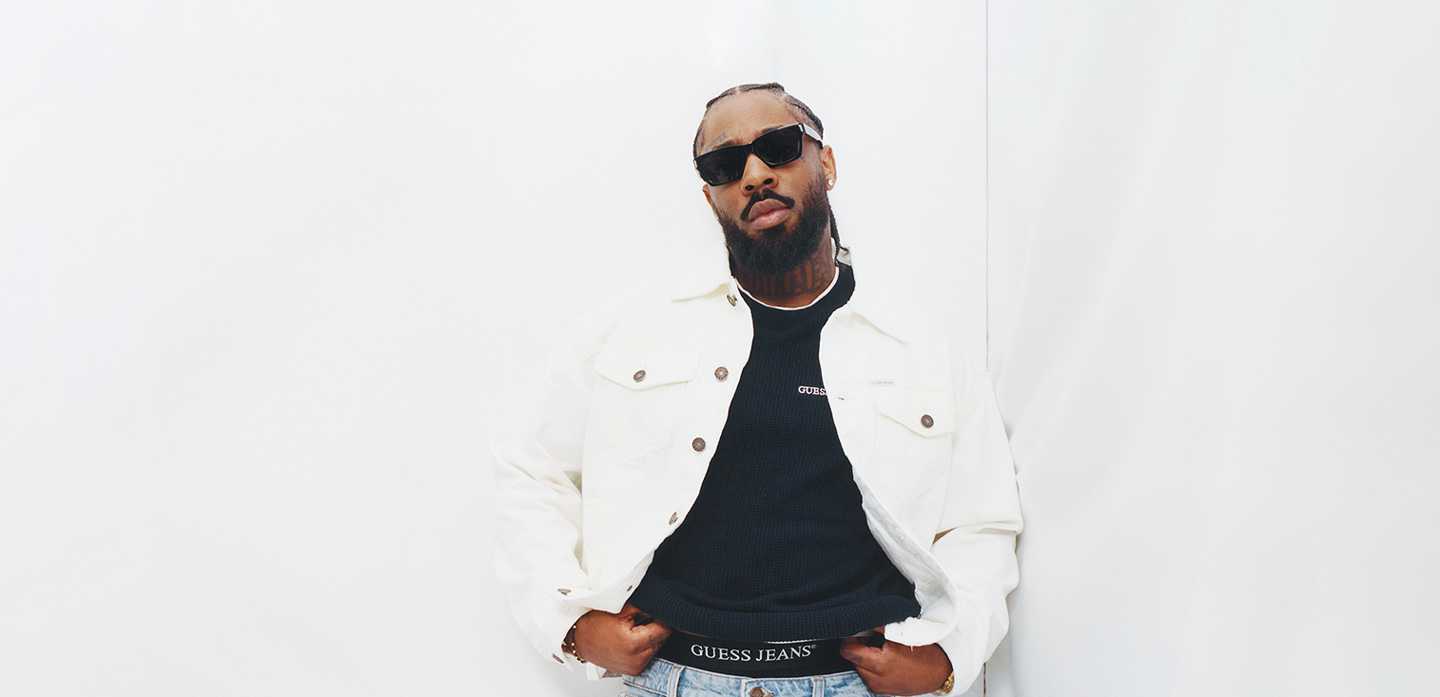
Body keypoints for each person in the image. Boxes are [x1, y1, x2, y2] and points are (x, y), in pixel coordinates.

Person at [491, 82, 1023, 696]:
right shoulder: (636, 330)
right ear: (710, 195)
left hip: (852, 682)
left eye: (779, 147)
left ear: (826, 163)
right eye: (724, 164)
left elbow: (981, 518)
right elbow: (533, 470)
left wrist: (948, 654)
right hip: (679, 679)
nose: (754, 174)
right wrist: (571, 624)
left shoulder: (920, 343)